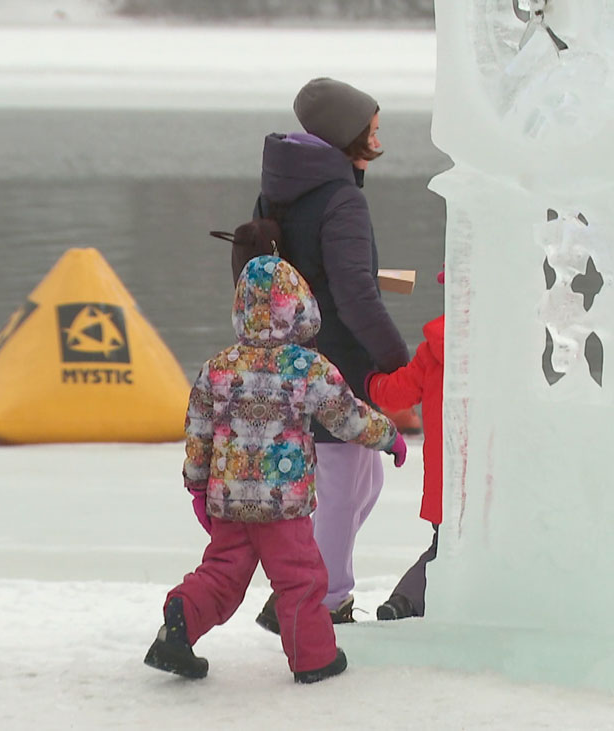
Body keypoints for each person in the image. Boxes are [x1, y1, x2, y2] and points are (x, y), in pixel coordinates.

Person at [143, 255, 407, 684]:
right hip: (283, 506)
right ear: (299, 307)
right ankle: (314, 658)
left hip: (229, 501)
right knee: (300, 579)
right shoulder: (306, 367)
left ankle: (180, 619)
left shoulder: (218, 368)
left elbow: (198, 433)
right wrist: (388, 437)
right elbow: (346, 417)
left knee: (221, 575)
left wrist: (197, 487)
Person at [251, 77, 412, 632]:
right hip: (336, 365)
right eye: (372, 126)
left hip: (293, 354)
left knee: (364, 483)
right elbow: (354, 294)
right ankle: (324, 602)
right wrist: (400, 365)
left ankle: (300, 588)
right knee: (345, 484)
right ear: (350, 135)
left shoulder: (282, 188)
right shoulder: (340, 197)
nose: (378, 134)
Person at [365, 269, 446, 620]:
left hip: (446, 482)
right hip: (494, 483)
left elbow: (397, 393)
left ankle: (404, 601)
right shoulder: (506, 353)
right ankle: (409, 602)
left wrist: (368, 381)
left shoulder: (434, 352)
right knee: (456, 551)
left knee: (444, 547)